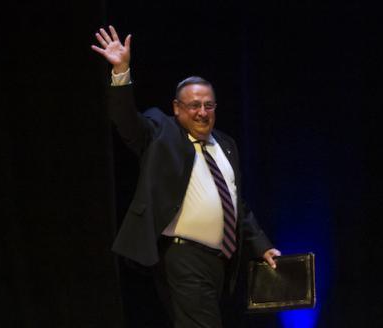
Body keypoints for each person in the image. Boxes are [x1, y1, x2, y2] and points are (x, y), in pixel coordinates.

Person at [92, 25, 281, 328]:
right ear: (177, 109)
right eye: (194, 105)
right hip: (182, 256)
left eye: (208, 105)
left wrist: (261, 245)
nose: (202, 112)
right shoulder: (161, 130)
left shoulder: (225, 144)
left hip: (220, 262)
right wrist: (121, 71)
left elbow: (235, 203)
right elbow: (127, 122)